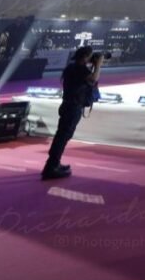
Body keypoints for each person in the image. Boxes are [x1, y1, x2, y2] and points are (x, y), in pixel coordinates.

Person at [42, 47, 102, 180]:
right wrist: (98, 66)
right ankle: (51, 167)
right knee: (63, 136)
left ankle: (53, 164)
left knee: (62, 135)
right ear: (86, 56)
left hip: (67, 105)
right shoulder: (80, 69)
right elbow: (93, 79)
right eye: (91, 56)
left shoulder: (72, 67)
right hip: (73, 106)